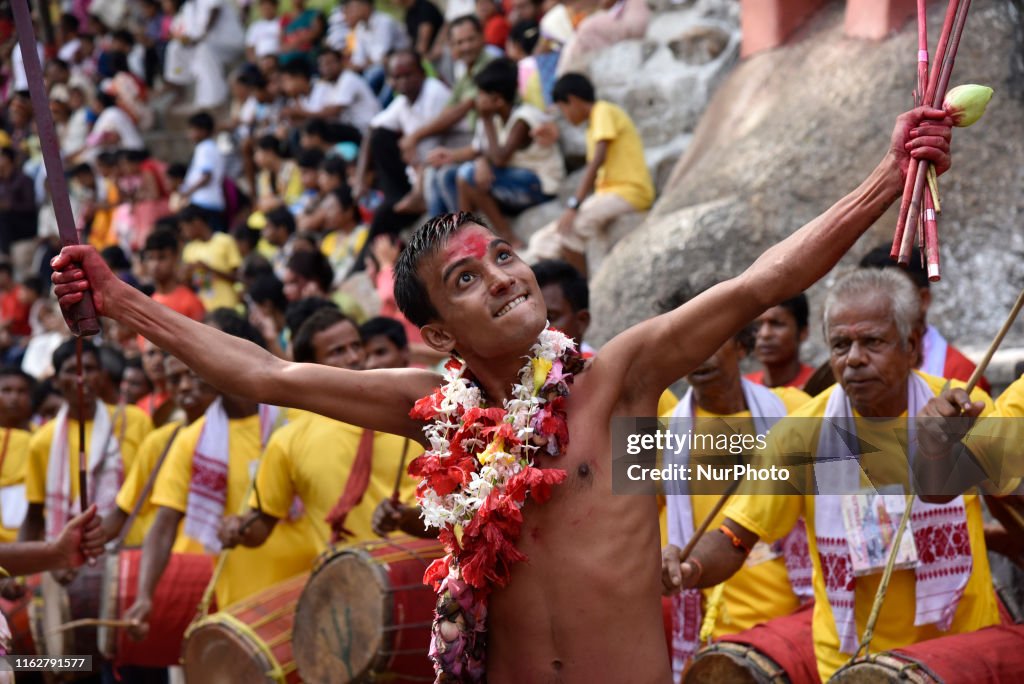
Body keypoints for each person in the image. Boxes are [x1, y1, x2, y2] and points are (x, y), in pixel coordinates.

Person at [51, 104, 953, 682]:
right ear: (440, 334)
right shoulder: (427, 404)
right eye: (467, 281)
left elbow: (759, 283)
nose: (505, 279)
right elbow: (265, 373)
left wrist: (890, 173)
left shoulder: (623, 380)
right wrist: (121, 297)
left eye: (505, 256)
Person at [664, 268, 1000, 681]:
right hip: (848, 666)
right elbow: (736, 538)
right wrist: (690, 569)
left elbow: (1005, 507)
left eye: (871, 342)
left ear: (911, 346)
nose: (854, 358)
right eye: (841, 345)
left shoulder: (963, 407)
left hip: (956, 657)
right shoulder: (802, 433)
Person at [121, 312, 309, 637]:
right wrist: (144, 596)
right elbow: (164, 522)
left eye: (206, 344)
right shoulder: (191, 440)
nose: (195, 356)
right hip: (244, 611)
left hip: (315, 594)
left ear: (239, 350)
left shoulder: (301, 418)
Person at [219, 308, 420, 551]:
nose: (355, 357)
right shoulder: (288, 440)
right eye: (338, 351)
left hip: (432, 572)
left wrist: (408, 519)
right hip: (352, 583)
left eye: (356, 346)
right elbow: (261, 525)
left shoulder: (411, 412)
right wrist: (239, 529)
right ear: (310, 368)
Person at [22, 340, 153, 551]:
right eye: (72, 371)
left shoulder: (135, 421)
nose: (81, 379)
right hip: (68, 559)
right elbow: (34, 514)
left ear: (102, 375)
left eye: (89, 369)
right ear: (55, 381)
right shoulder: (42, 441)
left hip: (131, 549)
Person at [526, 72, 653, 275]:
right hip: (608, 194)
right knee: (540, 242)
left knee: (573, 229)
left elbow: (597, 160)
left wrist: (574, 205)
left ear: (573, 101)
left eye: (563, 108)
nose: (565, 116)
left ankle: (584, 294)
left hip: (629, 191)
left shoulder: (603, 111)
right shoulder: (592, 125)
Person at [103, 353, 218, 550]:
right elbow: (123, 511)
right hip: (174, 564)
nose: (185, 386)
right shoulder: (157, 442)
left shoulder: (242, 431)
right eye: (174, 380)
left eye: (193, 376)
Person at [445, 57, 563, 246]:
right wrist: (481, 161)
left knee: (467, 174)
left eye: (482, 94)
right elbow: (484, 152)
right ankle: (465, 236)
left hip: (539, 184)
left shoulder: (523, 119)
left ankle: (505, 236)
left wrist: (485, 119)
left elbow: (499, 159)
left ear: (498, 100)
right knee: (453, 176)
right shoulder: (498, 118)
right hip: (514, 181)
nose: (477, 100)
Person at [859, 244, 989, 392]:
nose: (872, 310)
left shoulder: (961, 375)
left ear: (923, 299)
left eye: (890, 297)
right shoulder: (851, 369)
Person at [354, 50, 452, 244]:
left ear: (422, 73)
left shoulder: (434, 92)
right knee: (380, 137)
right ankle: (398, 198)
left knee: (385, 213)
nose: (403, 82)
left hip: (442, 164)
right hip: (419, 171)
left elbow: (432, 151)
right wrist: (359, 178)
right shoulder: (403, 101)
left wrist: (417, 190)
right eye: (397, 77)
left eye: (408, 75)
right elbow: (373, 129)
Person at [403, 15, 494, 214]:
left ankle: (461, 232)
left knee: (442, 173)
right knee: (434, 166)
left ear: (482, 37)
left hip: (489, 138)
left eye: (471, 39)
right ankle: (442, 236)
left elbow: (462, 108)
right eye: (460, 42)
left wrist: (417, 135)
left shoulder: (490, 64)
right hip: (474, 136)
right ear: (452, 45)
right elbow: (451, 106)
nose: (466, 46)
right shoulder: (465, 67)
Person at [179, 204, 242, 311]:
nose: (184, 233)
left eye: (185, 227)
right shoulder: (189, 250)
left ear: (197, 223)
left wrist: (208, 269)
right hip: (206, 310)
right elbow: (189, 285)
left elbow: (238, 278)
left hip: (230, 306)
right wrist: (186, 275)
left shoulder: (225, 241)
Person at [746, 293, 814, 389]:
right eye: (757, 325)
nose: (765, 334)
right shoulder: (744, 390)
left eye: (776, 324)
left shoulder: (818, 388)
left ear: (803, 332)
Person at [143, 229, 206, 322]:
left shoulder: (190, 302)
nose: (155, 265)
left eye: (162, 257)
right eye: (151, 258)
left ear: (175, 258)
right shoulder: (148, 303)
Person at [0, 367, 34, 542]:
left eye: (22, 392)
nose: (14, 397)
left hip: (31, 539)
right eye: (7, 390)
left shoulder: (44, 437)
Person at [179, 112, 226, 229]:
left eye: (192, 130)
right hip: (209, 201)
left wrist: (187, 191)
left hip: (204, 202)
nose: (190, 134)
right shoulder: (210, 147)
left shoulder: (205, 148)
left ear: (203, 131)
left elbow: (206, 176)